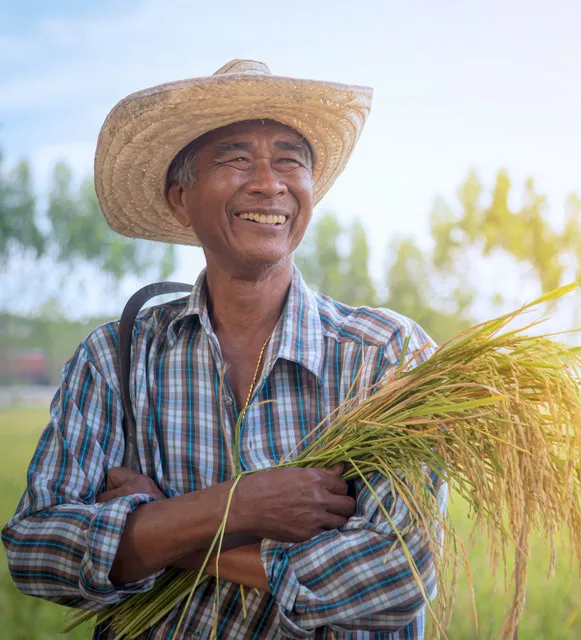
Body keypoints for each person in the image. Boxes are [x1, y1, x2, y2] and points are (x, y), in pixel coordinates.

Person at [2, 59, 447, 639]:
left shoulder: (385, 357)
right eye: (236, 158)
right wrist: (240, 506)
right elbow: (35, 550)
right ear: (181, 199)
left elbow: (397, 576)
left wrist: (172, 531)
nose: (269, 181)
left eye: (290, 159)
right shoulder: (117, 356)